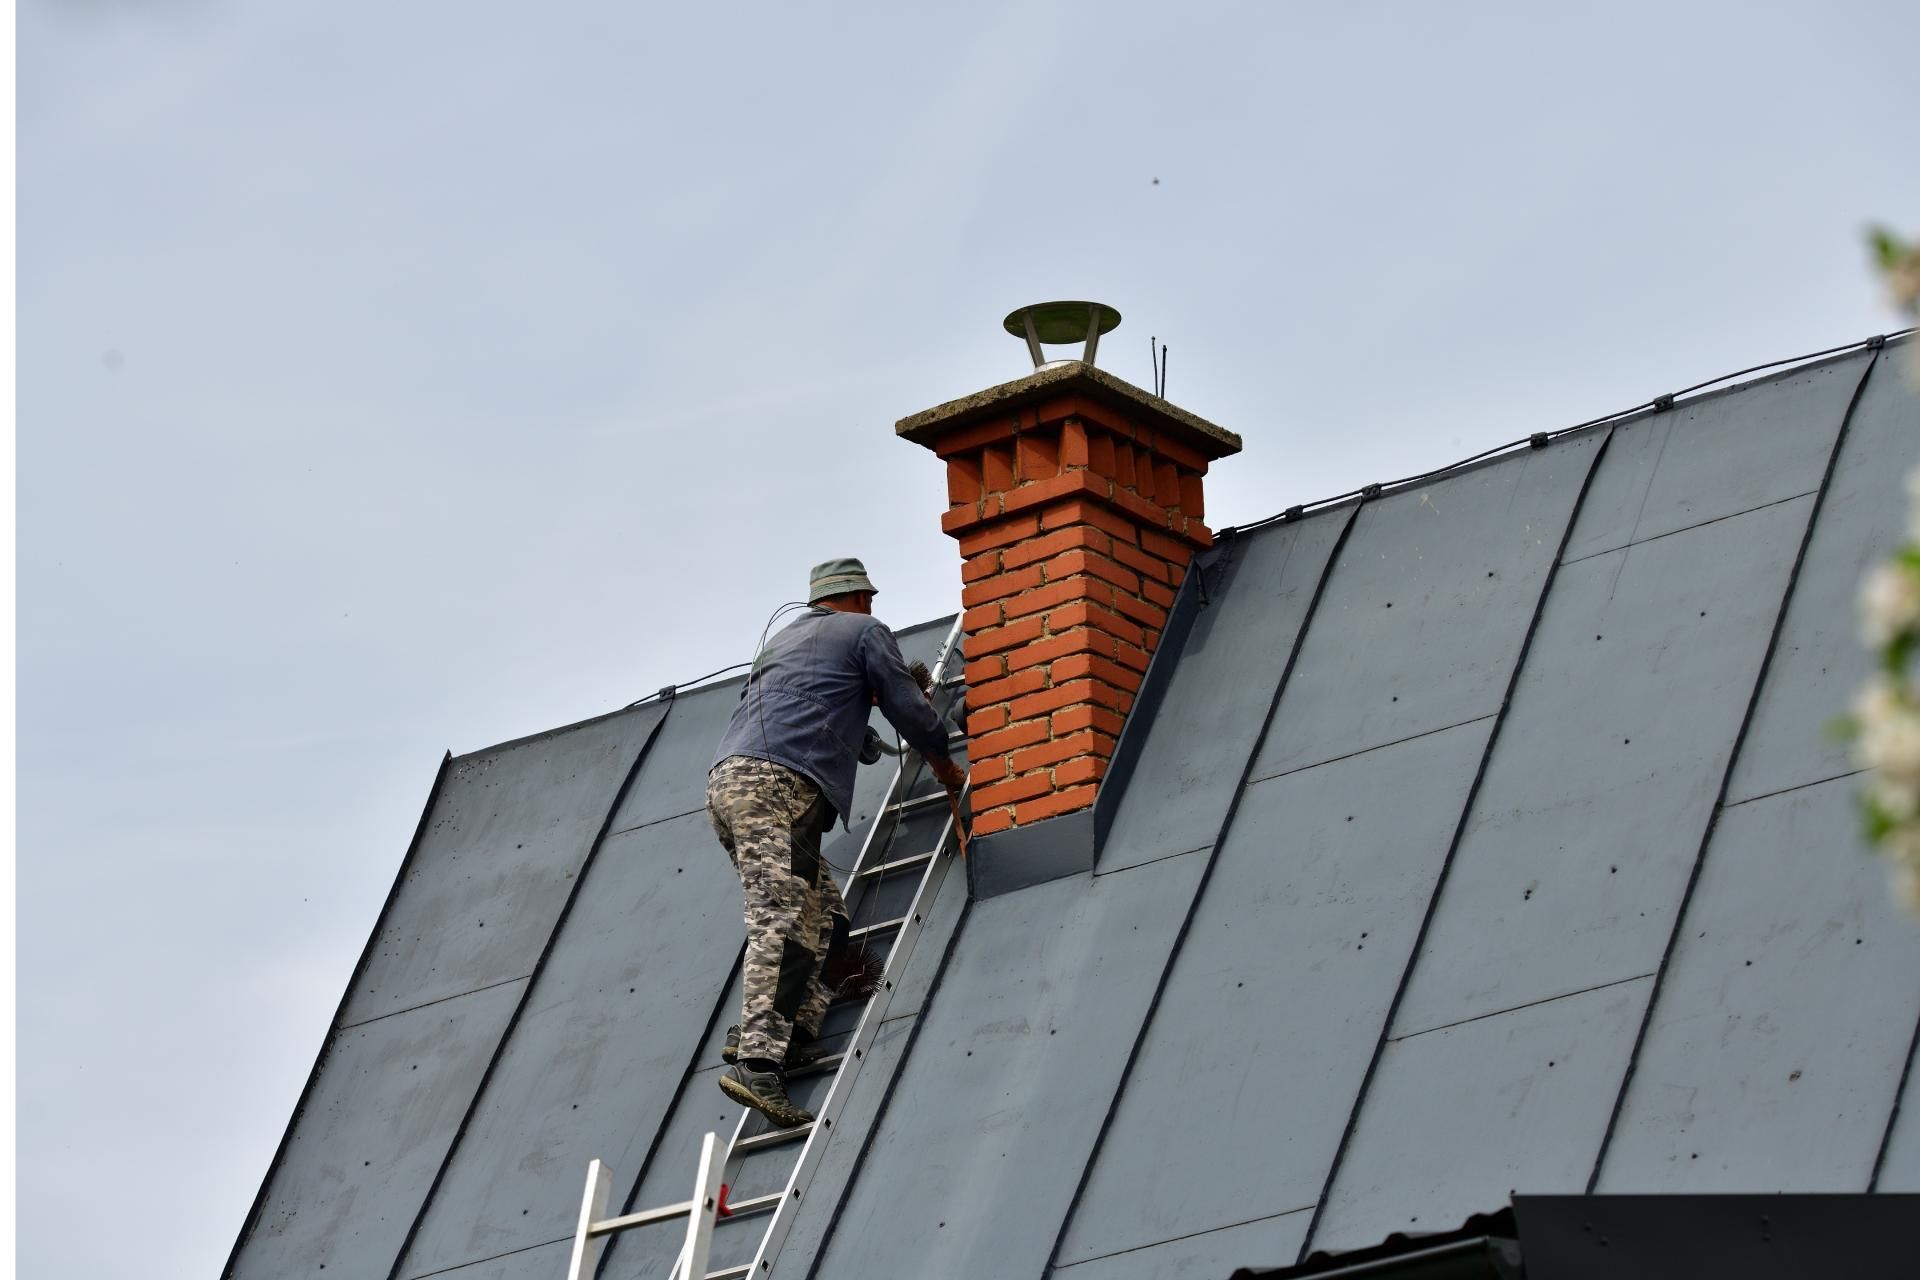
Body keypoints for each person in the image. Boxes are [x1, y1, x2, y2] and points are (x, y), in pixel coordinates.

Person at [706, 557, 966, 1126]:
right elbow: (906, 703)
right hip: (777, 785)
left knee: (823, 917)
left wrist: (858, 734)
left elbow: (797, 709)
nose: (874, 609)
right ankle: (758, 1060)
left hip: (734, 784)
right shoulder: (865, 632)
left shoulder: (787, 640)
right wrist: (942, 756)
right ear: (856, 598)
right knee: (782, 914)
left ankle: (794, 1028)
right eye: (869, 599)